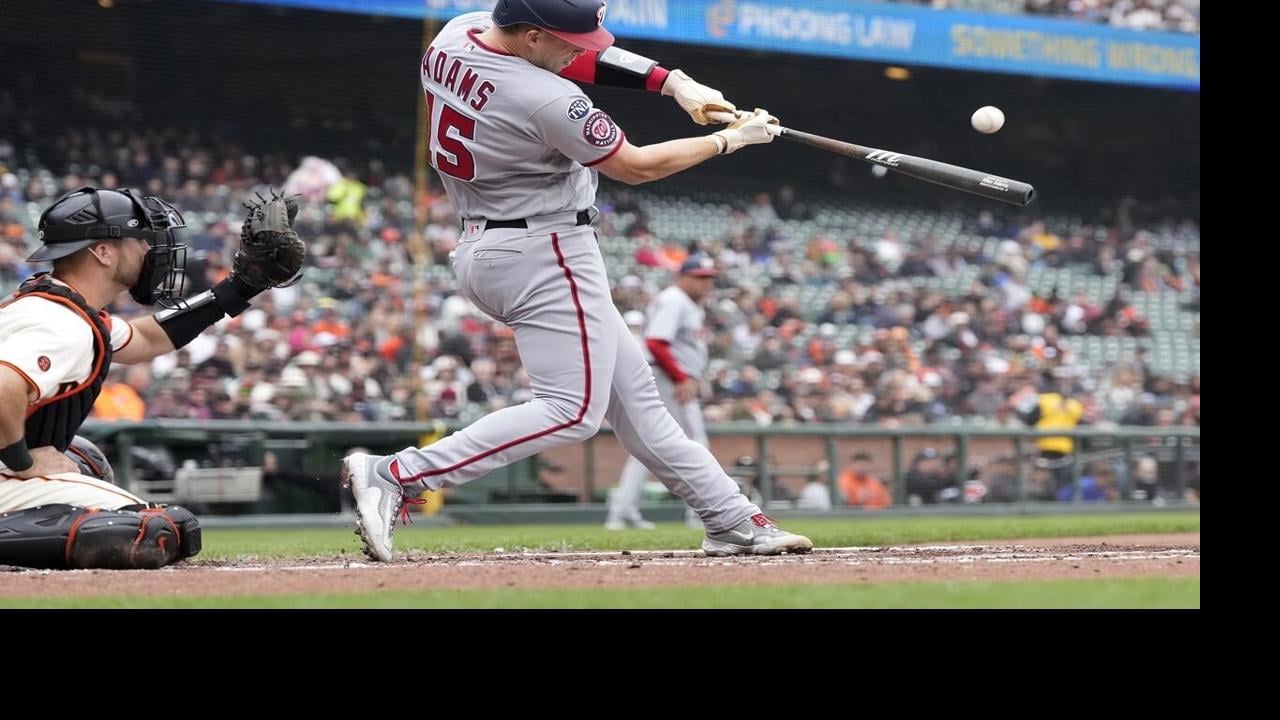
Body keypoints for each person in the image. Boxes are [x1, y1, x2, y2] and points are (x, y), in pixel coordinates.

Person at [342, 0, 812, 561]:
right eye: (568, 40)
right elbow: (634, 167)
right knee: (571, 410)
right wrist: (731, 140)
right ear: (534, 35)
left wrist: (672, 83)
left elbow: (581, 58)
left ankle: (732, 519)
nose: (581, 50)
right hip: (546, 249)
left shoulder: (459, 30)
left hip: (490, 241)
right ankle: (397, 474)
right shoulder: (544, 96)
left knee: (637, 403)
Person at [0, 186, 303, 569]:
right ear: (103, 251)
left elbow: (146, 337)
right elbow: (3, 388)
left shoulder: (59, 306)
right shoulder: (61, 323)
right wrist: (24, 464)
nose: (149, 249)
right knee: (158, 530)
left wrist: (243, 285)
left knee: (85, 459)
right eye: (139, 239)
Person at [605, 256, 717, 531]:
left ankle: (622, 511)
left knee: (650, 445)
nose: (706, 283)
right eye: (700, 277)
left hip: (673, 377)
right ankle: (705, 513)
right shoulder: (674, 299)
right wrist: (680, 377)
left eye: (709, 277)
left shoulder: (687, 303)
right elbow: (656, 342)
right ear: (683, 277)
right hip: (668, 378)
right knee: (694, 442)